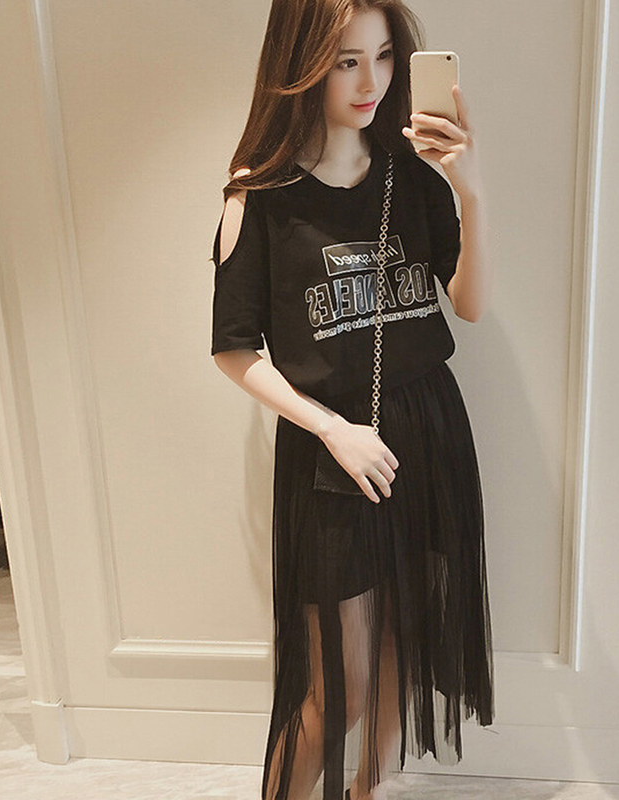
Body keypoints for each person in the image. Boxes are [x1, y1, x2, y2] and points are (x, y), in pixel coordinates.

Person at [210, 2, 495, 798]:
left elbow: (469, 306)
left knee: (407, 645)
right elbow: (234, 349)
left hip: (428, 429)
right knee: (340, 688)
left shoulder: (414, 178)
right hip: (335, 453)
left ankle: (367, 792)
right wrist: (331, 428)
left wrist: (472, 193)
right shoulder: (260, 198)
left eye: (384, 56)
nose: (371, 81)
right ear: (301, 67)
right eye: (346, 61)